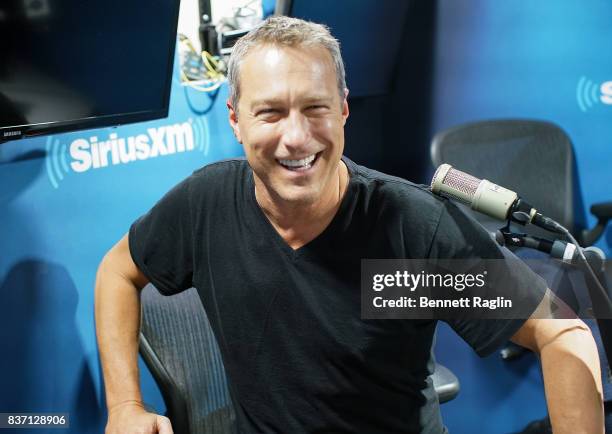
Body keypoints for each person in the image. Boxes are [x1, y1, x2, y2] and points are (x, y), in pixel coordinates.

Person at [95, 16, 604, 434]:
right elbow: (118, 273)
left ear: (342, 110)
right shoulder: (203, 205)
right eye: (270, 113)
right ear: (235, 119)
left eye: (315, 109)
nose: (295, 138)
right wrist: (124, 407)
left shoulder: (411, 228)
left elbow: (562, 333)